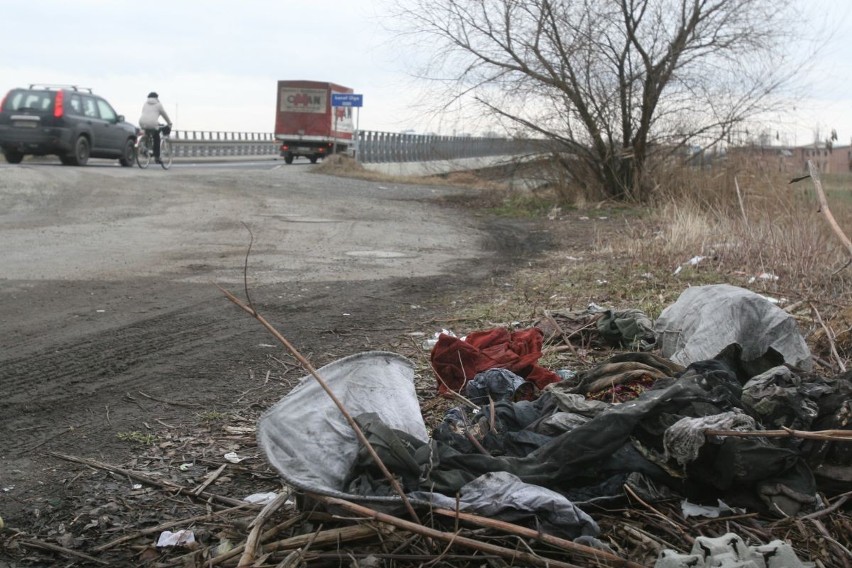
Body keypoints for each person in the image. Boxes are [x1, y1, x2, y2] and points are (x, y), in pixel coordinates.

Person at [138, 92, 172, 163]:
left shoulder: (145, 103)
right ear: (156, 98)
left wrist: (156, 123)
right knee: (157, 137)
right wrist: (169, 123)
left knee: (148, 133)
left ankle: (145, 148)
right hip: (152, 123)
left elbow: (148, 115)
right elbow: (164, 114)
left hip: (142, 122)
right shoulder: (158, 105)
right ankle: (157, 157)